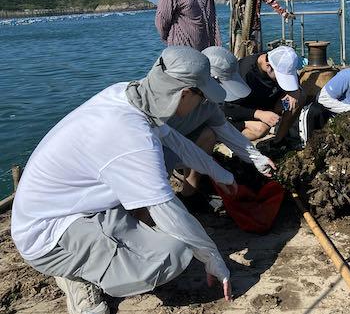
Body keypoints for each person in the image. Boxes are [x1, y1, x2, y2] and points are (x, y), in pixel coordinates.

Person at [11, 47, 247, 314]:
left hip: (69, 204)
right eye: (203, 96)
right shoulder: (132, 137)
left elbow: (175, 142)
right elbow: (170, 212)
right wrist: (213, 258)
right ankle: (74, 272)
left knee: (171, 226)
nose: (205, 104)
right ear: (185, 93)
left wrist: (220, 173)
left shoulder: (127, 93)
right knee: (175, 251)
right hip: (46, 233)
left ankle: (94, 255)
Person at [167, 46, 275, 196]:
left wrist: (258, 159)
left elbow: (226, 131)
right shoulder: (171, 97)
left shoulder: (209, 105)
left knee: (208, 134)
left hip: (180, 145)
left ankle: (189, 194)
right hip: (155, 148)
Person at [223, 46, 305, 142]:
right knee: (261, 129)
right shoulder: (244, 74)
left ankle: (278, 140)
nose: (279, 81)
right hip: (244, 111)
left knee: (299, 97)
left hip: (267, 101)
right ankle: (233, 144)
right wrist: (258, 114)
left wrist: (294, 90)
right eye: (279, 77)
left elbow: (294, 79)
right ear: (268, 66)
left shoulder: (275, 58)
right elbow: (226, 107)